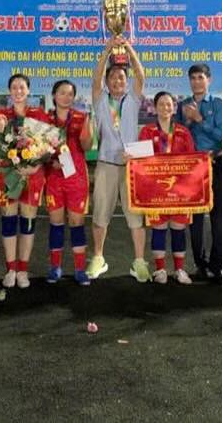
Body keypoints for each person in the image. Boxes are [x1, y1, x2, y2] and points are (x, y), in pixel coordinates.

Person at [88, 35, 147, 282]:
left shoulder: (133, 98)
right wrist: (107, 50)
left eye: (121, 77)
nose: (117, 80)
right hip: (106, 165)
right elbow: (96, 76)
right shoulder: (100, 99)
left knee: (136, 216)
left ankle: (139, 261)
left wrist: (129, 48)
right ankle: (99, 258)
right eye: (113, 77)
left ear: (126, 81)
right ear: (108, 81)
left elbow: (140, 75)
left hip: (132, 166)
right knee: (101, 213)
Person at [0, 74, 51, 289]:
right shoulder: (2, 116)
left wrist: (35, 166)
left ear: (28, 91)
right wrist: (0, 127)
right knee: (8, 220)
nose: (18, 91)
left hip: (33, 175)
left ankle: (23, 269)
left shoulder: (39, 115)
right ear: (9, 91)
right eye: (14, 87)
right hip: (9, 175)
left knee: (27, 222)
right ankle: (10, 269)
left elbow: (47, 145)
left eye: (22, 87)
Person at [174, 64, 222, 282]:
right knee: (195, 218)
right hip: (191, 168)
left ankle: (219, 265)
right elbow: (177, 135)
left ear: (209, 80)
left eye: (200, 77)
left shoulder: (218, 105)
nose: (196, 81)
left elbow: (220, 136)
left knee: (218, 217)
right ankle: (200, 263)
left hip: (214, 163)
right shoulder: (183, 106)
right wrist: (186, 122)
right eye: (193, 78)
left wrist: (199, 120)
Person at [137, 91, 195, 285]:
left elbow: (191, 160)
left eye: (169, 104)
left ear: (174, 107)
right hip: (155, 191)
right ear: (154, 107)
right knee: (159, 229)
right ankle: (160, 269)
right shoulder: (147, 131)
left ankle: (179, 269)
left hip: (179, 192)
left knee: (178, 229)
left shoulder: (183, 132)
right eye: (161, 104)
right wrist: (131, 156)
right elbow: (140, 160)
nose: (165, 108)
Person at [44, 79, 92, 285]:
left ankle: (80, 269)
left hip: (76, 177)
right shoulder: (45, 119)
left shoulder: (82, 118)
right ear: (54, 96)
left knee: (77, 223)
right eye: (62, 93)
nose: (66, 97)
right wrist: (50, 161)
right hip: (54, 177)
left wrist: (86, 134)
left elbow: (87, 146)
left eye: (70, 94)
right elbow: (38, 150)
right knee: (56, 223)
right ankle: (55, 268)